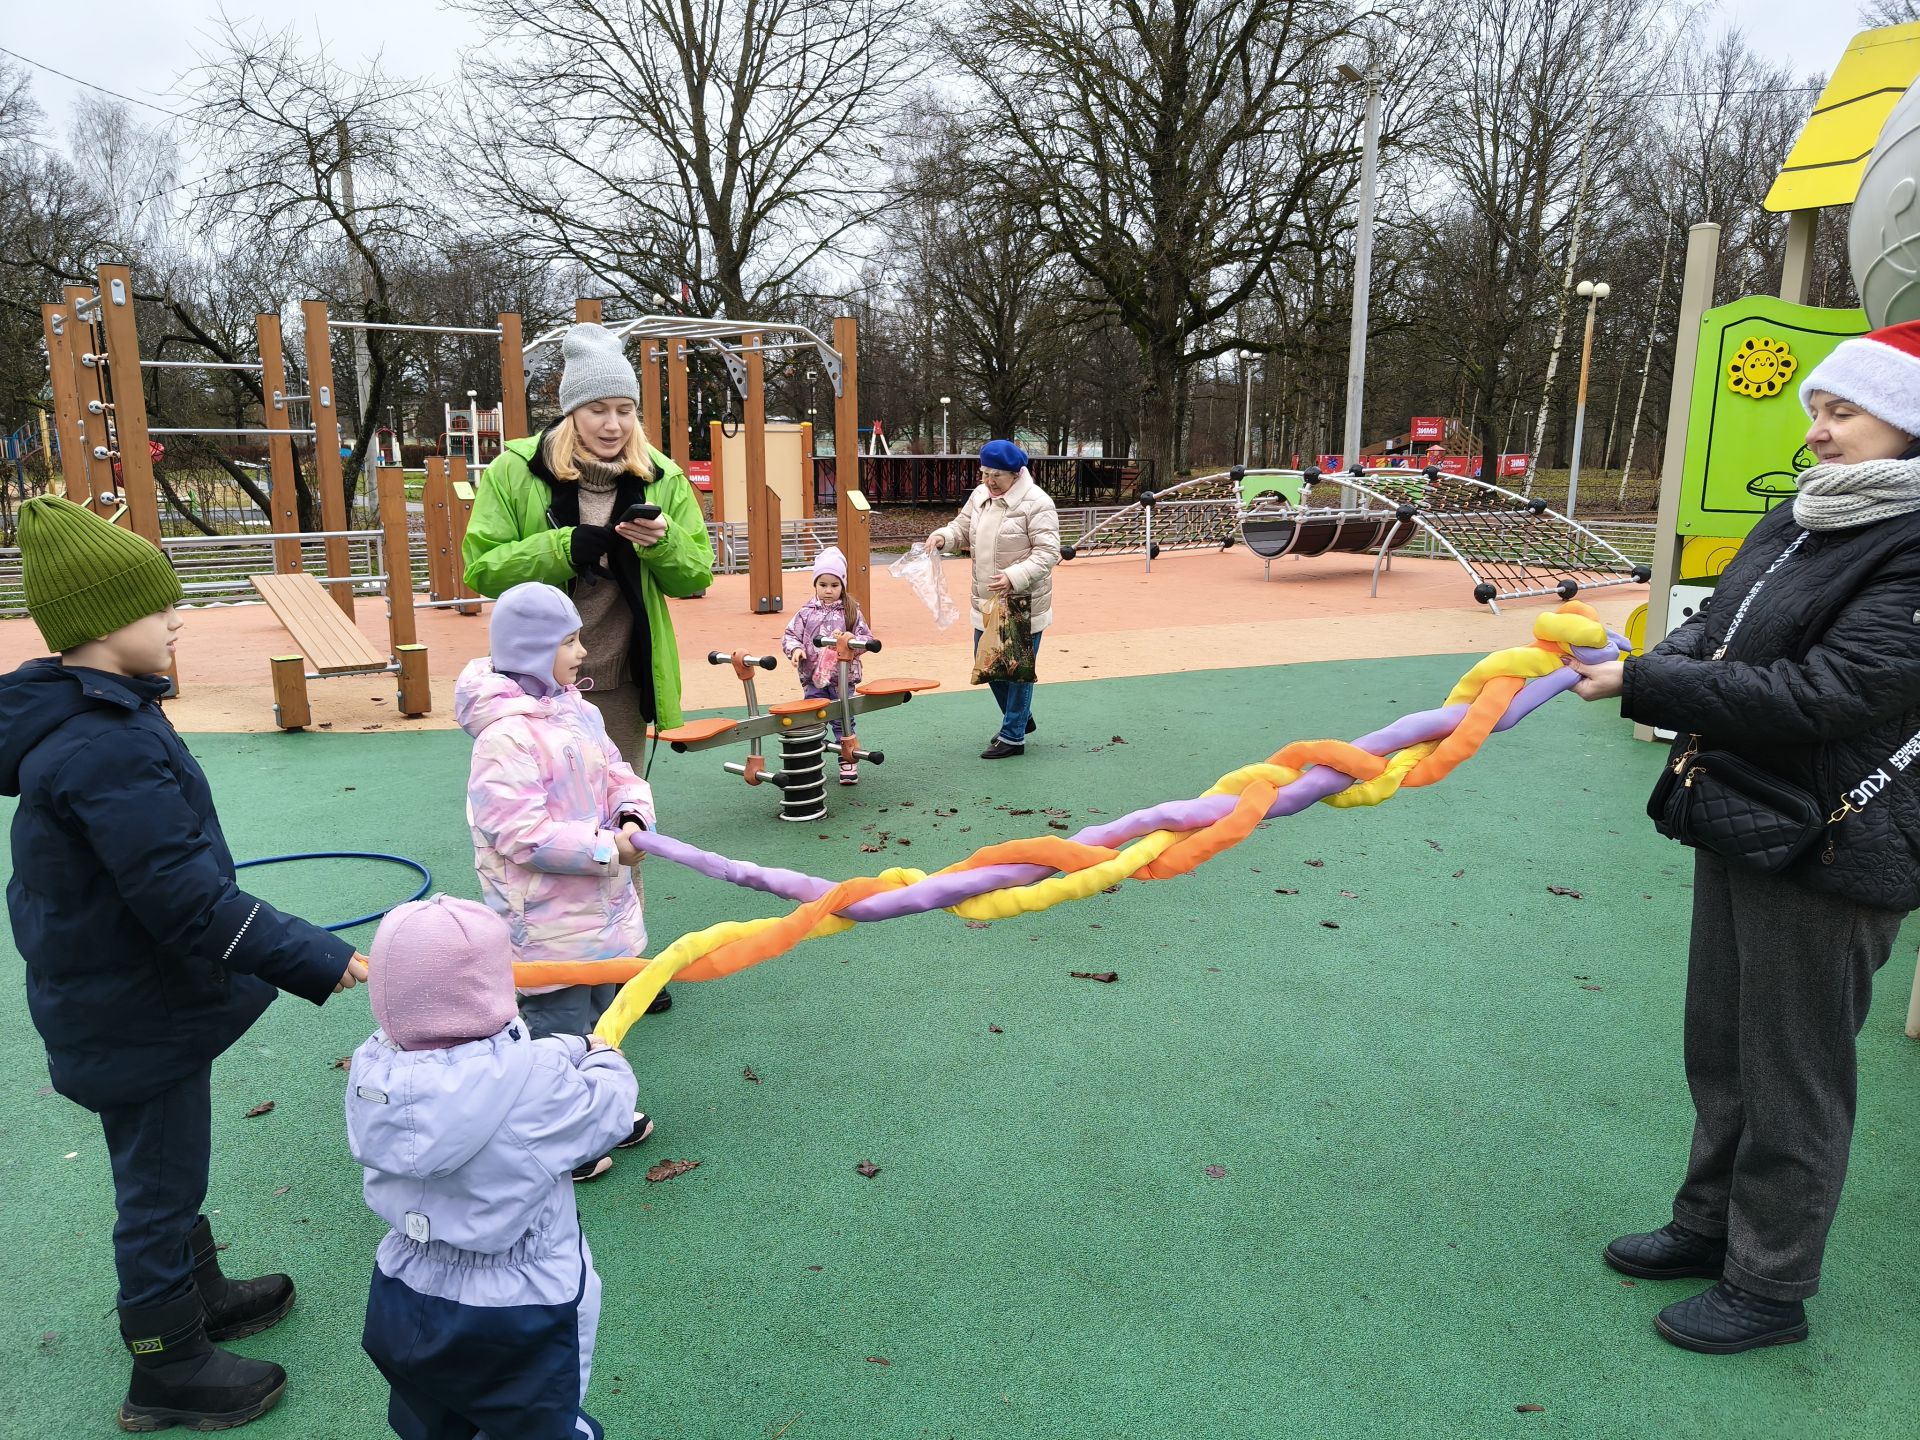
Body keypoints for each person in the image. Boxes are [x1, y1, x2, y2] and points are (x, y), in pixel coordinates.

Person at [1568, 318, 1920, 1354]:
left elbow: (1838, 690)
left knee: (1794, 1063)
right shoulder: (1804, 519)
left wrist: (1648, 681)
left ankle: (1770, 1287)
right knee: (1723, 1040)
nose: (1818, 430)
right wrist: (1633, 657)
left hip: (1841, 837)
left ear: (1907, 425)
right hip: (1751, 812)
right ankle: (1709, 1224)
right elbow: (1714, 628)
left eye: (1842, 410)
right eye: (1816, 409)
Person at [0, 496, 368, 1430]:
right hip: (134, 1008)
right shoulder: (100, 745)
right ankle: (165, 1363)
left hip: (127, 995)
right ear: (99, 624)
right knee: (157, 1186)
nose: (177, 619)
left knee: (170, 1166)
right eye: (158, 607)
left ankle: (194, 1292)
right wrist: (319, 959)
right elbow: (185, 901)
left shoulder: (102, 719)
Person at [348, 895, 638, 1440]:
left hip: (402, 1295)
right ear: (495, 991)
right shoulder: (534, 1088)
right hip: (518, 1309)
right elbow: (608, 1112)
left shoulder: (375, 1077)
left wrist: (561, 1049)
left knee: (432, 1416)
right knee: (536, 1425)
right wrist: (602, 1056)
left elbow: (491, 1069)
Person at [456, 581, 662, 1181]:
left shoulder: (578, 710)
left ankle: (599, 1110)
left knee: (604, 1021)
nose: (582, 652)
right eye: (570, 641)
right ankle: (555, 1135)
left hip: (599, 913)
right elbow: (519, 832)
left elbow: (620, 772)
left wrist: (631, 815)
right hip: (545, 923)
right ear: (529, 649)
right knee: (555, 1031)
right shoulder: (505, 737)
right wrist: (607, 849)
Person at [463, 323, 715, 749]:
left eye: (624, 409)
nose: (613, 425)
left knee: (622, 803)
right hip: (534, 680)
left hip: (623, 678)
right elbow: (482, 571)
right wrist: (560, 548)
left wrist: (662, 542)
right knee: (540, 802)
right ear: (571, 410)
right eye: (597, 409)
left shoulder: (663, 476)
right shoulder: (515, 469)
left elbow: (695, 577)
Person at [924, 438, 1061, 759]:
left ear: (1015, 474)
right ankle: (1021, 718)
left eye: (996, 475)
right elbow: (962, 527)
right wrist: (943, 536)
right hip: (985, 600)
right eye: (985, 473)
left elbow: (1048, 552)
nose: (989, 481)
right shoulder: (981, 494)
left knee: (1015, 671)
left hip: (1020, 602)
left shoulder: (1037, 502)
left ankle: (1013, 735)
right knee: (986, 665)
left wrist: (1015, 576)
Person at [782, 546, 874, 785]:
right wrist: (796, 649)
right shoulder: (806, 612)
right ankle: (812, 761)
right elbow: (791, 634)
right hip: (813, 677)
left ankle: (848, 760)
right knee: (812, 718)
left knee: (843, 719)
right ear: (815, 585)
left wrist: (850, 643)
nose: (828, 591)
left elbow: (866, 639)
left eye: (834, 585)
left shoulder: (851, 612)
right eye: (823, 585)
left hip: (843, 679)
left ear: (842, 585)